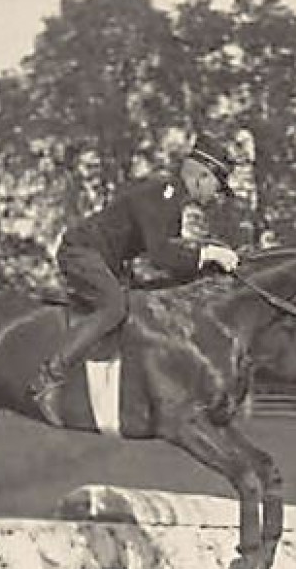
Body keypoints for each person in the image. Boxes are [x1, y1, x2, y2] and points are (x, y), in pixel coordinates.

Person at [26, 135, 242, 416]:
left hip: (108, 261)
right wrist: (209, 255)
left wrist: (208, 259)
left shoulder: (171, 198)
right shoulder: (163, 194)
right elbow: (162, 256)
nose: (216, 195)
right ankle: (50, 374)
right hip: (82, 252)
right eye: (217, 186)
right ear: (201, 176)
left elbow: (170, 262)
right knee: (114, 307)